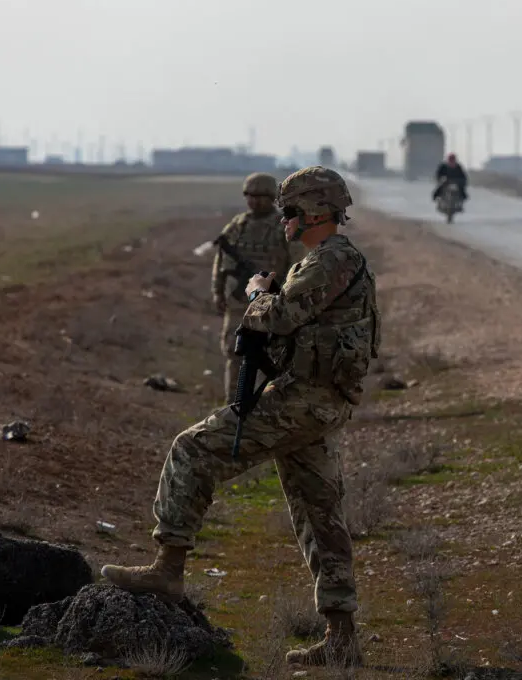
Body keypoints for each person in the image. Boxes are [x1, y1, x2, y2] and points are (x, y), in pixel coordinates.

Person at [102, 166, 379, 668]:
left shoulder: (331, 261)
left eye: (291, 211)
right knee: (320, 514)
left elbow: (278, 317)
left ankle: (168, 566)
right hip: (314, 399)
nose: (284, 220)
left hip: (304, 401)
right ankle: (342, 637)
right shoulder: (325, 259)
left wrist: (256, 293)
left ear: (316, 212)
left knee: (192, 448)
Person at [211, 172, 299, 406]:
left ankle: (268, 406)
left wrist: (290, 297)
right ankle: (234, 406)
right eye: (250, 196)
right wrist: (218, 292)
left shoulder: (284, 226)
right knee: (234, 351)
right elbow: (221, 262)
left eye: (261, 196)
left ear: (272, 197)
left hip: (272, 301)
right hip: (239, 302)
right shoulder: (238, 225)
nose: (255, 201)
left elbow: (297, 263)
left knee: (272, 356)